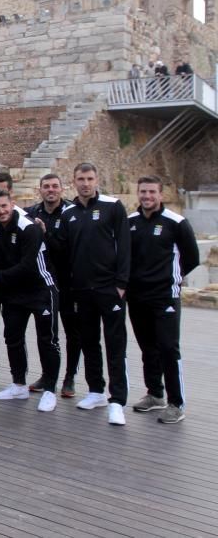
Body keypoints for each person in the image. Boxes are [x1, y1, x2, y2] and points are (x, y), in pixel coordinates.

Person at [53, 163, 131, 426]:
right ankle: (96, 390)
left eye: (89, 178)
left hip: (110, 289)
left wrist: (121, 284)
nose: (85, 183)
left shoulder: (113, 206)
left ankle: (117, 400)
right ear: (73, 182)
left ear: (97, 180)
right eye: (80, 179)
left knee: (115, 345)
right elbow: (62, 252)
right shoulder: (69, 213)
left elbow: (125, 247)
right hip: (82, 291)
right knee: (89, 343)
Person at [0, 190, 60, 412]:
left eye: (4, 206)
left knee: (47, 341)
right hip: (14, 292)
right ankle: (19, 385)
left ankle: (50, 390)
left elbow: (27, 266)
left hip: (41, 290)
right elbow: (3, 258)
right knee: (12, 337)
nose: (1, 211)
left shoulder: (29, 227)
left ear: (12, 204)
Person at [127, 176, 199, 424]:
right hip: (137, 298)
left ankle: (176, 402)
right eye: (143, 192)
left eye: (151, 192)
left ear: (161, 194)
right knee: (148, 348)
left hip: (164, 297)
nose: (147, 196)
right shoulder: (130, 223)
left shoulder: (176, 223)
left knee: (168, 348)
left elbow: (191, 258)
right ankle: (155, 394)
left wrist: (169, 279)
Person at [26, 173, 79, 397]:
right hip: (43, 284)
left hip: (67, 283)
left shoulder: (70, 214)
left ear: (62, 189)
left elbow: (69, 249)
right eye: (46, 186)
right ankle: (49, 375)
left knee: (72, 332)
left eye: (55, 186)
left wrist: (46, 235)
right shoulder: (32, 213)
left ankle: (69, 378)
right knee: (47, 333)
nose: (51, 190)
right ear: (40, 190)